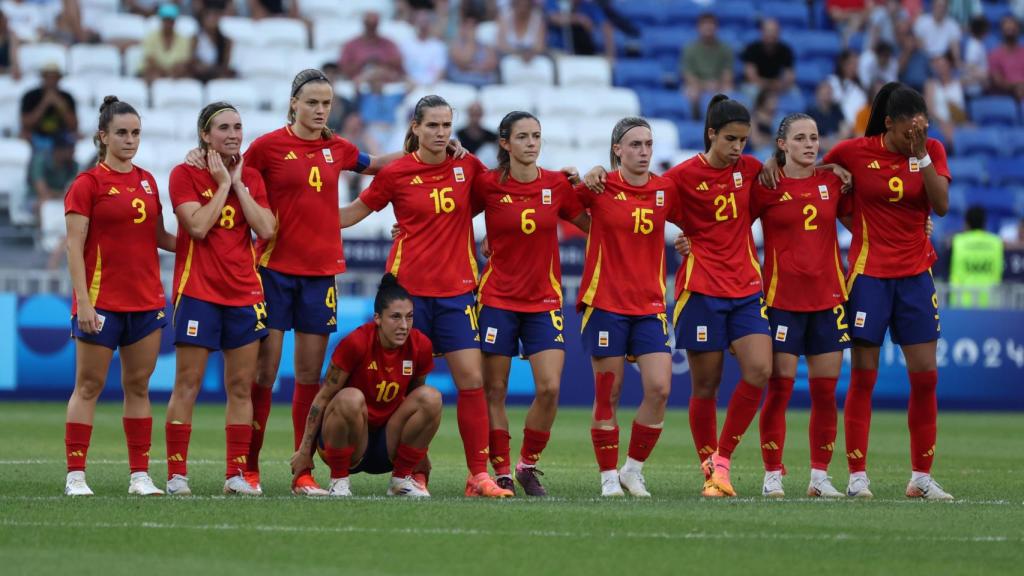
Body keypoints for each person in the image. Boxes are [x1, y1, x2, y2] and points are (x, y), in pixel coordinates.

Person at [186, 69, 402, 496]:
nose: (321, 110)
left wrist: (420, 151)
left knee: (308, 377)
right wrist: (197, 156)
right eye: (313, 103)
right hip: (273, 273)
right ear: (293, 104)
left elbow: (376, 166)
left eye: (327, 103)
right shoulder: (267, 147)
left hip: (320, 276)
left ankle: (302, 471)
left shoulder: (337, 147)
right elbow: (231, 165)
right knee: (263, 375)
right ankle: (248, 470)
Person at [339, 95, 512, 498]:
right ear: (415, 127)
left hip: (457, 295)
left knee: (472, 382)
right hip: (407, 300)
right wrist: (295, 217)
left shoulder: (468, 167)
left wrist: (494, 238)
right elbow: (351, 215)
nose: (440, 133)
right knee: (409, 389)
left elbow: (505, 200)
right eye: (432, 125)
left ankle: (477, 476)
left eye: (446, 126)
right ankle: (413, 471)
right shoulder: (397, 173)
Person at [822, 82, 953, 500]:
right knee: (863, 377)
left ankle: (921, 477)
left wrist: (921, 156)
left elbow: (943, 204)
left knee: (926, 377)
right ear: (889, 124)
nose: (913, 138)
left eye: (922, 128)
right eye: (906, 133)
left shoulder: (929, 148)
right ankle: (858, 475)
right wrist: (838, 178)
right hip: (869, 277)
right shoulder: (854, 152)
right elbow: (817, 175)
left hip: (916, 275)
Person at [63, 96, 177, 496]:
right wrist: (85, 303)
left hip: (146, 300)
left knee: (139, 387)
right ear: (103, 136)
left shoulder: (148, 181)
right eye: (122, 133)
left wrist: (207, 240)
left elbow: (160, 237)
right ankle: (76, 474)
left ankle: (139, 475)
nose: (130, 140)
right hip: (102, 302)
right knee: (89, 385)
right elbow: (73, 247)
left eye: (135, 133)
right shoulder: (87, 184)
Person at [660, 95, 773, 498]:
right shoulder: (682, 176)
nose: (738, 148)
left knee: (760, 369)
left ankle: (722, 459)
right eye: (730, 139)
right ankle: (709, 467)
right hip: (701, 289)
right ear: (711, 135)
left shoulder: (754, 170)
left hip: (745, 289)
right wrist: (681, 239)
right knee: (706, 386)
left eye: (743, 140)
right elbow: (649, 209)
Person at [163, 102, 277, 496]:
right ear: (205, 135)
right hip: (198, 292)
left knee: (241, 387)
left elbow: (266, 227)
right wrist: (223, 185)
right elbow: (196, 227)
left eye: (238, 127)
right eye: (223, 127)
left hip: (244, 294)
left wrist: (239, 184)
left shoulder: (253, 178)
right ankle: (177, 475)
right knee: (188, 384)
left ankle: (235, 475)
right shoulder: (184, 174)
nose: (233, 134)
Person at [474, 111, 589, 496]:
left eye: (536, 135)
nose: (532, 143)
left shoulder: (556, 184)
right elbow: (449, 214)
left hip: (543, 300)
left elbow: (594, 224)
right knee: (495, 390)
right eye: (522, 136)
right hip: (497, 299)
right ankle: (502, 471)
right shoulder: (487, 184)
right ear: (505, 143)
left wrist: (593, 183)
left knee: (550, 388)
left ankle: (528, 464)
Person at [577, 117, 680, 497]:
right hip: (606, 304)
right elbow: (553, 209)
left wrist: (688, 242)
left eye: (649, 144)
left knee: (659, 388)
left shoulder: (666, 189)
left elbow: (699, 223)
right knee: (609, 392)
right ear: (617, 149)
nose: (644, 152)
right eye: (635, 145)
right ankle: (607, 476)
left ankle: (631, 470)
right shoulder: (599, 186)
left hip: (650, 306)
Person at [749, 113, 851, 498]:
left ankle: (819, 477)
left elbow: (870, 213)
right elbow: (731, 228)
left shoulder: (833, 181)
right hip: (782, 302)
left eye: (814, 138)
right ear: (782, 144)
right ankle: (772, 473)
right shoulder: (766, 185)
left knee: (826, 394)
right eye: (801, 138)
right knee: (780, 390)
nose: (810, 144)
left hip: (828, 301)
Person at [290, 274, 441, 497]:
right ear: (377, 318)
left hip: (386, 444)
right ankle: (339, 481)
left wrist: (420, 453)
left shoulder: (420, 345)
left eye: (409, 317)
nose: (403, 326)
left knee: (431, 397)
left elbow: (414, 397)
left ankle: (401, 479)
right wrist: (304, 452)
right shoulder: (356, 343)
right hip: (348, 440)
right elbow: (323, 397)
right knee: (350, 397)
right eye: (395, 317)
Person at [681, 13, 734, 120]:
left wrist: (717, 85)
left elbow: (727, 75)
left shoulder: (725, 49)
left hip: (718, 85)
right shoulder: (690, 49)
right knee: (692, 92)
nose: (708, 27)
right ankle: (696, 122)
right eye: (705, 24)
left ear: (716, 27)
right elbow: (688, 76)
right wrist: (705, 85)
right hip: (697, 85)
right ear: (698, 27)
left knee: (729, 91)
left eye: (711, 24)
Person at [949, 206, 1004, 308]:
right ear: (984, 224)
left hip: (960, 304)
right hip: (991, 304)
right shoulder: (996, 242)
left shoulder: (957, 242)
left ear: (967, 224)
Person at [19, 62, 77, 151]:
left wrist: (60, 105)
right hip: (37, 137)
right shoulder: (30, 96)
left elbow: (73, 125)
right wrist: (44, 104)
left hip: (61, 139)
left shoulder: (67, 97)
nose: (51, 81)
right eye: (48, 77)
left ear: (59, 78)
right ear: (43, 77)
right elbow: (26, 124)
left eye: (54, 77)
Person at [339, 11, 405, 84]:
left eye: (373, 25)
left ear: (377, 25)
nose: (371, 28)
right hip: (359, 82)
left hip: (386, 83)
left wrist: (380, 62)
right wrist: (363, 62)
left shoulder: (389, 44)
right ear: (364, 24)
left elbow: (398, 66)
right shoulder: (351, 45)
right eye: (369, 25)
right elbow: (343, 69)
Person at [740, 18, 796, 98]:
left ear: (779, 33)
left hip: (778, 86)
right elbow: (750, 76)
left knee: (794, 92)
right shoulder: (751, 49)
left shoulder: (786, 50)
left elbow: (789, 76)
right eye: (768, 31)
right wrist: (769, 85)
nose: (771, 34)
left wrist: (781, 84)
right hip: (757, 85)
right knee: (751, 90)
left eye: (774, 31)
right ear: (761, 32)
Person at [29, 131, 77, 222]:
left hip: (59, 200)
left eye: (73, 147)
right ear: (57, 150)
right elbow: (42, 192)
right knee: (42, 205)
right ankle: (42, 235)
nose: (73, 151)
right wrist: (61, 194)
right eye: (69, 148)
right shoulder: (40, 161)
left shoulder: (74, 165)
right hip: (34, 198)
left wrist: (59, 195)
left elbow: (72, 193)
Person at [139, 3, 192, 82]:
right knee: (152, 74)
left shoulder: (183, 39)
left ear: (175, 21)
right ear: (161, 20)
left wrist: (171, 72)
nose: (168, 23)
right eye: (165, 20)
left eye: (171, 20)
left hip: (175, 74)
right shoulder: (151, 37)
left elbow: (183, 62)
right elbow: (149, 59)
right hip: (156, 72)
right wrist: (166, 72)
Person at [924, 53, 966, 149]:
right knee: (949, 133)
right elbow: (929, 110)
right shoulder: (931, 85)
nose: (940, 69)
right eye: (937, 66)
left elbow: (982, 76)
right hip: (938, 123)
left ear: (949, 66)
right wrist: (943, 122)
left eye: (943, 66)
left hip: (958, 122)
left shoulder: (958, 83)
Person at [447, 13, 499, 88]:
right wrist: (471, 41)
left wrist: (470, 68)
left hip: (483, 84)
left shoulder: (485, 45)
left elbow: (492, 63)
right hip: (462, 84)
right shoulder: (456, 45)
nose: (470, 29)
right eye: (467, 27)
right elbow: (463, 61)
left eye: (472, 26)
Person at [400, 9, 447, 87]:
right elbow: (402, 69)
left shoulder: (438, 46)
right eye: (420, 22)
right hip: (410, 85)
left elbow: (440, 71)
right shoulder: (405, 44)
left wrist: (430, 86)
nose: (423, 26)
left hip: (433, 86)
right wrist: (412, 83)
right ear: (415, 23)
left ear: (430, 24)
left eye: (425, 22)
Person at [189, 6, 234, 82]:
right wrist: (202, 66)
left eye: (215, 16)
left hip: (217, 72)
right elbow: (192, 58)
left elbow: (226, 63)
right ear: (202, 19)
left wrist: (213, 69)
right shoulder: (196, 38)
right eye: (209, 16)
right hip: (199, 73)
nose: (212, 19)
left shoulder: (226, 41)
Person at [912, 0, 961, 66]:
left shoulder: (953, 25)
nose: (941, 9)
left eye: (944, 6)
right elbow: (920, 46)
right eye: (939, 6)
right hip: (926, 59)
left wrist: (957, 62)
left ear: (947, 8)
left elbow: (955, 49)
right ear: (933, 6)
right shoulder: (922, 21)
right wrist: (932, 61)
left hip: (944, 60)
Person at [989, 16, 1024, 101]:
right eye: (1007, 29)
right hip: (1005, 97)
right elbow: (997, 81)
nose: (1010, 32)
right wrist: (1017, 87)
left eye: (1013, 29)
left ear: (1018, 31)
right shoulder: (995, 54)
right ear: (1002, 31)